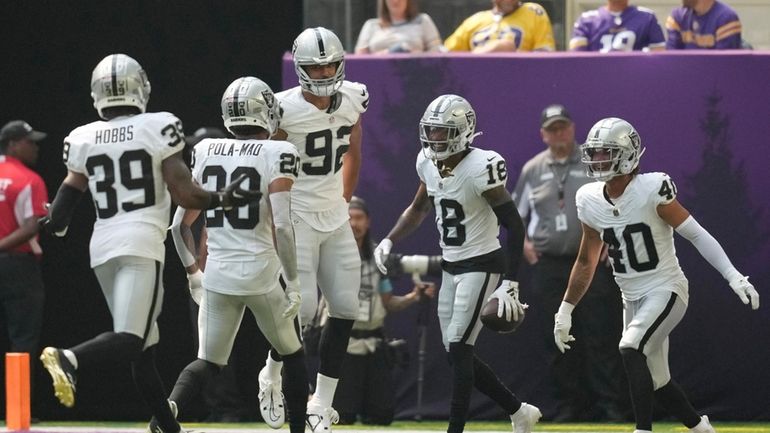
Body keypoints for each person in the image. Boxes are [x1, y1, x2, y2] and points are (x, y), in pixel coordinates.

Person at [37, 53, 260, 433]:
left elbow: (60, 213)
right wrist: (225, 197)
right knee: (131, 338)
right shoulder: (159, 126)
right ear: (140, 87)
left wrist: (54, 222)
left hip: (101, 248)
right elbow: (186, 194)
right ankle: (70, 358)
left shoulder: (82, 136)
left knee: (143, 350)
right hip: (140, 242)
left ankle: (167, 427)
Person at [553, 117, 760, 433]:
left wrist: (733, 275)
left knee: (630, 347)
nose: (597, 160)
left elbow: (696, 234)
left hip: (666, 289)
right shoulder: (588, 198)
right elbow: (586, 260)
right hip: (630, 296)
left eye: (605, 152)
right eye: (594, 153)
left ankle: (643, 430)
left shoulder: (652, 189)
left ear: (628, 155)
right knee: (658, 379)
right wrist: (565, 310)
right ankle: (700, 428)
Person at [373, 94, 541, 433]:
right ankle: (518, 410)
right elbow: (418, 208)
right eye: (431, 131)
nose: (434, 138)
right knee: (454, 351)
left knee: (461, 348)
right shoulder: (427, 161)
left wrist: (511, 281)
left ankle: (455, 430)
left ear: (464, 131)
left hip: (482, 263)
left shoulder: (482, 166)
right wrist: (390, 238)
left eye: (442, 131)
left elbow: (514, 223)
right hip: (452, 264)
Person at [160, 76, 308, 433]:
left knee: (207, 362)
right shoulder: (279, 152)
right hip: (260, 274)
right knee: (294, 355)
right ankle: (299, 428)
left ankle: (164, 414)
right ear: (267, 112)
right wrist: (294, 280)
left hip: (218, 276)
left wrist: (193, 273)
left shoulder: (208, 149)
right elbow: (284, 227)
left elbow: (178, 225)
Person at [256, 27, 369, 433]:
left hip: (333, 214)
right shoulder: (283, 109)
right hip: (298, 214)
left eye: (328, 64)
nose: (322, 73)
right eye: (314, 66)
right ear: (300, 68)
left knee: (345, 308)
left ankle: (321, 401)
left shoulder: (355, 96)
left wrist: (344, 197)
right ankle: (270, 372)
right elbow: (269, 166)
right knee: (299, 314)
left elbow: (354, 146)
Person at [512, 105, 624, 421]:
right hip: (549, 265)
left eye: (563, 127)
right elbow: (515, 216)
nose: (559, 133)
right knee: (556, 337)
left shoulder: (593, 162)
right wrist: (524, 245)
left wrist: (611, 239)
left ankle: (609, 405)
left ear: (573, 128)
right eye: (553, 128)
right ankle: (566, 406)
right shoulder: (533, 169)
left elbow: (619, 203)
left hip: (589, 263)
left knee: (599, 334)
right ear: (543, 134)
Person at [333, 196, 436, 425]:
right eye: (349, 218)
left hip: (373, 343)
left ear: (368, 222)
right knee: (341, 417)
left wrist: (414, 296)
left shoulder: (379, 258)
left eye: (359, 218)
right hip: (342, 344)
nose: (354, 224)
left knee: (381, 416)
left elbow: (388, 303)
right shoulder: (330, 253)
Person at [0, 120, 48, 386]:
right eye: (30, 142)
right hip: (19, 267)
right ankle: (18, 408)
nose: (35, 148)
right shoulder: (29, 180)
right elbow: (31, 227)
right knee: (23, 337)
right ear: (13, 144)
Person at [444, 0, 555, 53]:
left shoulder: (533, 12)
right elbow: (446, 55)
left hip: (520, 80)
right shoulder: (474, 20)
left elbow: (545, 56)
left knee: (505, 45)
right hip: (476, 81)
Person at [569, 0, 666, 52]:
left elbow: (659, 56)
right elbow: (578, 60)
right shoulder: (586, 20)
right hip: (597, 80)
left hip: (636, 80)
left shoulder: (647, 17)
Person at [355, 0, 443, 54]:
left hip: (415, 74)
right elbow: (359, 59)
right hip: (378, 75)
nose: (395, 1)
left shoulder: (423, 21)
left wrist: (415, 56)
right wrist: (385, 55)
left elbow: (437, 53)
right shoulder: (371, 25)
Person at [665, 0, 742, 49]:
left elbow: (724, 64)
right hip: (685, 73)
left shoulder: (726, 18)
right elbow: (671, 59)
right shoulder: (677, 17)